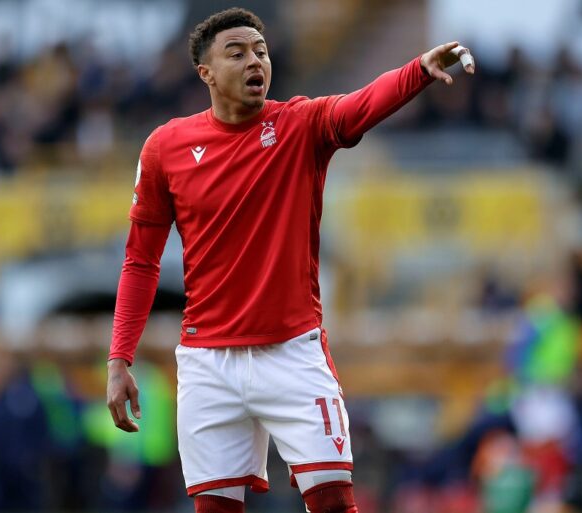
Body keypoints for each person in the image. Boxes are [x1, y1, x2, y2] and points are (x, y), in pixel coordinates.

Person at [106, 8, 475, 513]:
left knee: (333, 501)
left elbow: (360, 106)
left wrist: (418, 71)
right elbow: (140, 262)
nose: (255, 61)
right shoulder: (165, 148)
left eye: (261, 51)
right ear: (206, 73)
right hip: (207, 362)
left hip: (292, 355)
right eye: (237, 53)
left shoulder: (299, 125)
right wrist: (119, 359)